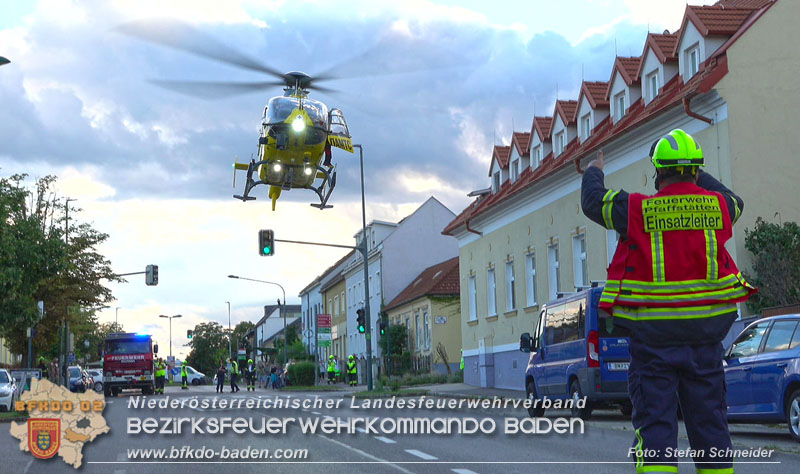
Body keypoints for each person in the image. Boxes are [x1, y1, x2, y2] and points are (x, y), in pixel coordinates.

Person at [580, 129, 756, 474]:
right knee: (711, 429)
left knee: (656, 429)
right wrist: (692, 170)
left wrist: (593, 170)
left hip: (654, 346)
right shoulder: (717, 207)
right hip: (705, 343)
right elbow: (733, 199)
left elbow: (592, 202)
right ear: (695, 171)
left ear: (658, 172)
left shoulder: (637, 209)